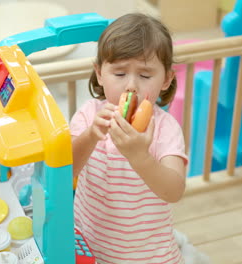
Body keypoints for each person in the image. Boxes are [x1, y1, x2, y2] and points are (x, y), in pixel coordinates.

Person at [70, 13, 187, 264]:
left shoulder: (166, 128)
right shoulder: (88, 115)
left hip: (146, 255)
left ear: (166, 79)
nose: (131, 86)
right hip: (88, 243)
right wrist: (91, 136)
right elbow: (66, 170)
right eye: (119, 74)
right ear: (100, 74)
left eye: (145, 76)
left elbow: (174, 191)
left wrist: (140, 157)